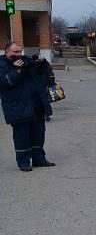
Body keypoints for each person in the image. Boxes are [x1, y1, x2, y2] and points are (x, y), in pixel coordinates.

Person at [0, 42, 55, 171]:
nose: (19, 54)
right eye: (15, 52)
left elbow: (44, 72)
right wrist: (16, 71)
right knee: (22, 136)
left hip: (36, 105)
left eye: (20, 51)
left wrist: (42, 62)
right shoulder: (2, 65)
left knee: (38, 134)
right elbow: (3, 83)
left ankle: (39, 159)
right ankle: (23, 162)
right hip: (18, 107)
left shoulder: (27, 61)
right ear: (7, 52)